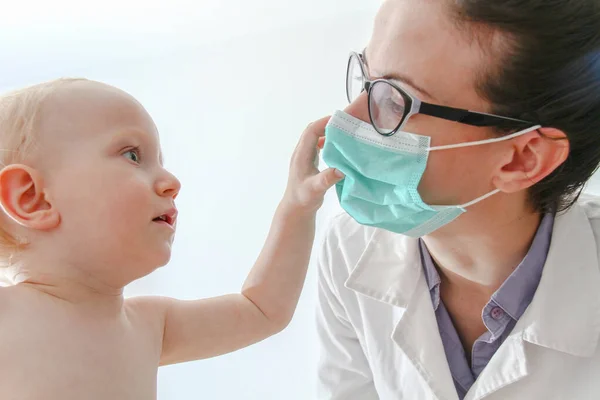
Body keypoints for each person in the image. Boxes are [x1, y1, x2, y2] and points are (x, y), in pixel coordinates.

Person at [316, 0, 600, 399]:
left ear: (522, 158)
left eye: (395, 99)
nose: (345, 119)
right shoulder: (347, 249)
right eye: (365, 77)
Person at [0, 78, 343, 399]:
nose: (171, 181)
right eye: (133, 155)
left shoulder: (150, 326)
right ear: (33, 198)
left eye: (159, 160)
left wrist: (297, 207)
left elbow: (262, 310)